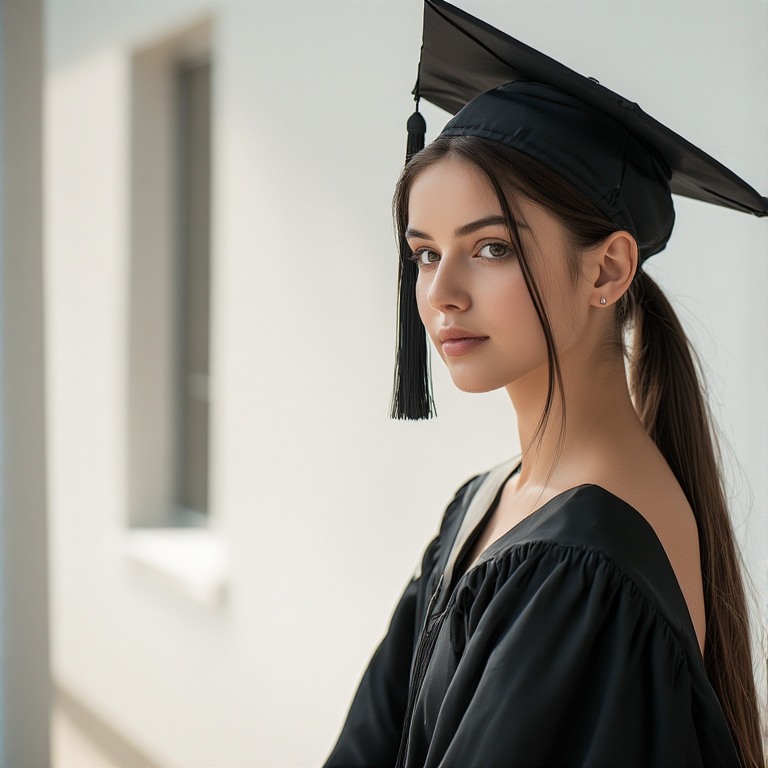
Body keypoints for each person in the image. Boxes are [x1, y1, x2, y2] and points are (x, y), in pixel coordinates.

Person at [325, 1, 766, 766]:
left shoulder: (586, 564)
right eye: (425, 253)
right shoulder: (487, 503)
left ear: (607, 269)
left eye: (489, 248)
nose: (440, 293)